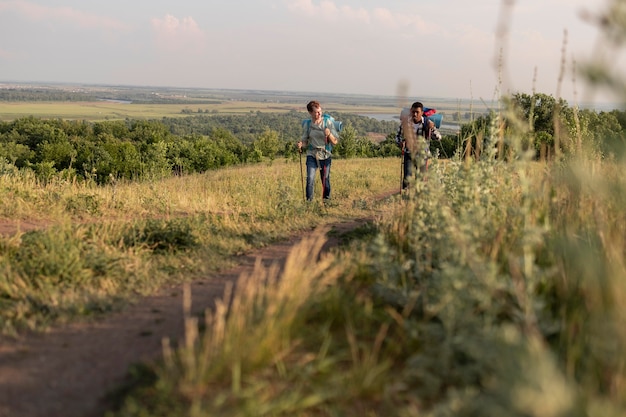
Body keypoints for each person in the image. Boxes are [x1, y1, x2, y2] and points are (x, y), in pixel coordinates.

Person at [297, 100, 339, 202]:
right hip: (312, 154)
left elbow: (335, 142)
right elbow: (306, 141)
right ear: (310, 113)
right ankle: (309, 203)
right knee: (310, 179)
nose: (319, 113)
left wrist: (329, 134)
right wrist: (301, 144)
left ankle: (326, 202)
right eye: (316, 112)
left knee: (325, 181)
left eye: (320, 111)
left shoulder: (327, 123)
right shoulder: (308, 125)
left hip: (325, 155)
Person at [395, 101, 442, 190]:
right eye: (413, 112)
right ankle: (405, 198)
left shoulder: (428, 123)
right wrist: (400, 143)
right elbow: (397, 136)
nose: (415, 114)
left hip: (422, 155)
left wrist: (431, 128)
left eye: (417, 112)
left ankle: (418, 198)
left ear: (422, 113)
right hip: (409, 153)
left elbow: (438, 138)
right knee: (407, 177)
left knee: (420, 178)